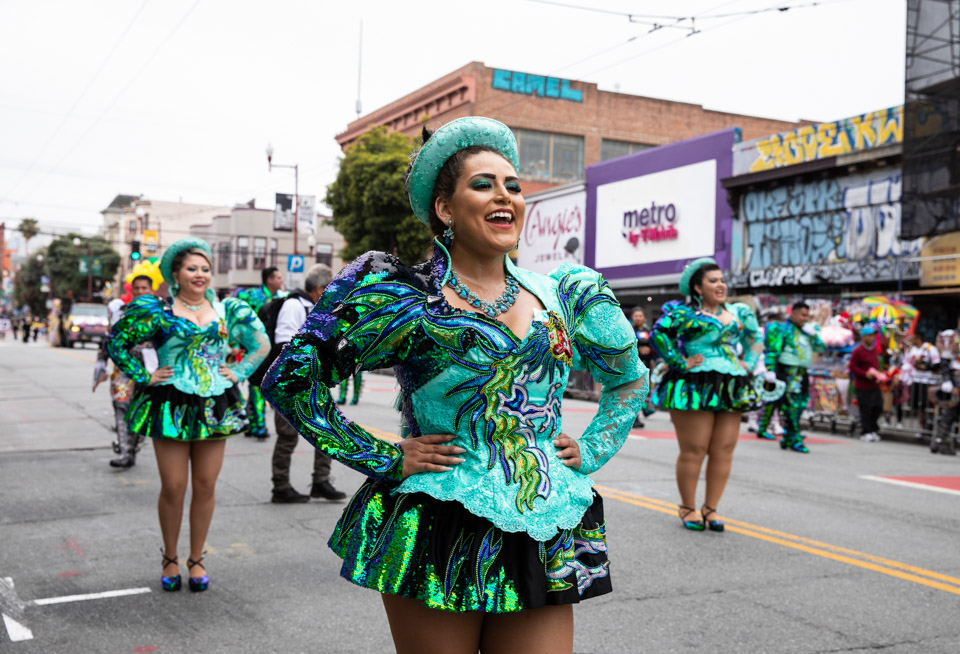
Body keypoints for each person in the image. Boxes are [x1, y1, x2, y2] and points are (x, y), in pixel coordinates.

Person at [262, 117, 648, 653]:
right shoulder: (408, 301)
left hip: (546, 515)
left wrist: (594, 445)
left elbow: (627, 379)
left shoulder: (567, 294)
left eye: (513, 186)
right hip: (440, 520)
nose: (505, 196)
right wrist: (382, 456)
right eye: (483, 184)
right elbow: (291, 379)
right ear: (445, 209)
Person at [108, 238, 269, 593]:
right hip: (170, 403)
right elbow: (116, 342)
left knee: (206, 485)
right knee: (174, 485)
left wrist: (239, 374)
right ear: (176, 275)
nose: (200, 274)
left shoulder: (228, 311)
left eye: (205, 269)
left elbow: (262, 343)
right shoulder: (158, 311)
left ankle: (196, 559)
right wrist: (143, 375)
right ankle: (169, 556)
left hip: (215, 404)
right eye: (192, 269)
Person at [650, 257, 762, 532]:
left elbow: (755, 338)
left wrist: (747, 359)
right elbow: (659, 334)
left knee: (724, 449)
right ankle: (688, 507)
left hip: (731, 383)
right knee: (694, 449)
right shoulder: (684, 313)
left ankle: (711, 509)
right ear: (698, 288)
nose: (720, 285)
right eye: (713, 281)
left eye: (722, 280)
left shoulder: (739, 312)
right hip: (694, 384)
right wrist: (679, 361)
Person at [268, 263, 347, 503]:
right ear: (320, 287)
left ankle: (321, 482)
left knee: (326, 431)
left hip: (315, 382)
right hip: (292, 384)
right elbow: (283, 343)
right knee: (287, 436)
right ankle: (280, 486)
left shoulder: (317, 308)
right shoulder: (294, 305)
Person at [94, 275, 156, 467]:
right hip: (123, 369)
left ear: (151, 290)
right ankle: (124, 450)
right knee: (121, 405)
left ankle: (133, 447)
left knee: (140, 412)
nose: (140, 292)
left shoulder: (160, 314)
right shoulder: (120, 312)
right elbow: (109, 339)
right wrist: (101, 363)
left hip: (150, 372)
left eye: (144, 288)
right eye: (136, 288)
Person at [756, 302, 826, 453]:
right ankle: (795, 439)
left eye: (807, 316)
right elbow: (772, 350)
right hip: (787, 372)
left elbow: (821, 348)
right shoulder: (782, 329)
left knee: (800, 405)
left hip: (802, 372)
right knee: (790, 405)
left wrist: (814, 336)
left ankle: (788, 437)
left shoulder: (808, 331)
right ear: (793, 313)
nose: (805, 319)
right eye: (802, 315)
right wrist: (770, 369)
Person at [237, 266, 286, 439]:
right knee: (256, 385)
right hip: (253, 348)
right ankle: (259, 426)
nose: (281, 280)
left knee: (257, 386)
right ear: (269, 280)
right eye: (278, 277)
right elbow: (239, 320)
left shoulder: (282, 298)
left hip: (272, 349)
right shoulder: (251, 296)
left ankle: (251, 423)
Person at [849, 325, 884, 442]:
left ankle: (873, 429)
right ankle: (866, 432)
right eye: (870, 335)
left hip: (874, 385)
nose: (873, 338)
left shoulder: (874, 350)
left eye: (874, 335)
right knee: (865, 409)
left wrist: (879, 375)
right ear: (863, 337)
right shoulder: (857, 350)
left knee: (878, 407)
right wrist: (865, 374)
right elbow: (852, 366)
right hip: (862, 386)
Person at [900, 332, 940, 431]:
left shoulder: (930, 348)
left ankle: (930, 425)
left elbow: (937, 364)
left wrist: (924, 366)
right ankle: (923, 426)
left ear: (918, 338)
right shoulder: (911, 349)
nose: (910, 340)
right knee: (917, 405)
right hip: (915, 380)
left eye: (911, 337)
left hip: (927, 381)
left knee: (927, 405)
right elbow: (907, 363)